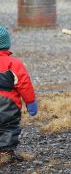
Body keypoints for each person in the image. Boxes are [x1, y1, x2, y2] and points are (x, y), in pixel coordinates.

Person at [0, 25, 37, 165]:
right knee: (8, 127)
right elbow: (24, 84)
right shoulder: (14, 63)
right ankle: (6, 152)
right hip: (8, 105)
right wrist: (31, 102)